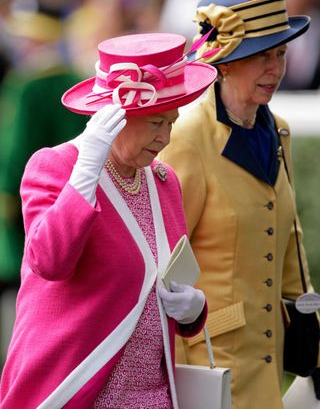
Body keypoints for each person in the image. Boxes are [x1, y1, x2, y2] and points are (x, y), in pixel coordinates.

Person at [0, 31, 217, 408]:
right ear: (115, 116)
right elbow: (49, 262)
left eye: (172, 122)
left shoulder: (164, 182)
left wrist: (194, 310)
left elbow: (163, 280)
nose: (166, 137)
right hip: (79, 389)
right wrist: (86, 169)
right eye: (155, 123)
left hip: (154, 395)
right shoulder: (55, 166)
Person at [159, 0, 319, 409]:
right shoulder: (187, 138)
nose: (276, 68)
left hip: (269, 366)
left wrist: (309, 319)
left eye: (281, 53)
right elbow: (164, 268)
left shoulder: (276, 129)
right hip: (211, 363)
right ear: (225, 62)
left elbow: (287, 237)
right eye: (262, 56)